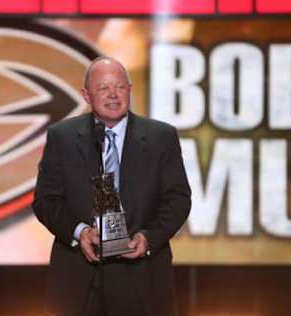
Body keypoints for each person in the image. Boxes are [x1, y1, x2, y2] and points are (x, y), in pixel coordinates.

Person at [32, 57, 191, 316]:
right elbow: (46, 200)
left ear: (130, 90)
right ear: (86, 95)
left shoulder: (161, 137)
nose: (113, 95)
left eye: (120, 87)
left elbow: (178, 199)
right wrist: (80, 232)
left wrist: (148, 238)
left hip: (142, 273)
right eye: (104, 88)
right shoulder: (62, 136)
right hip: (79, 275)